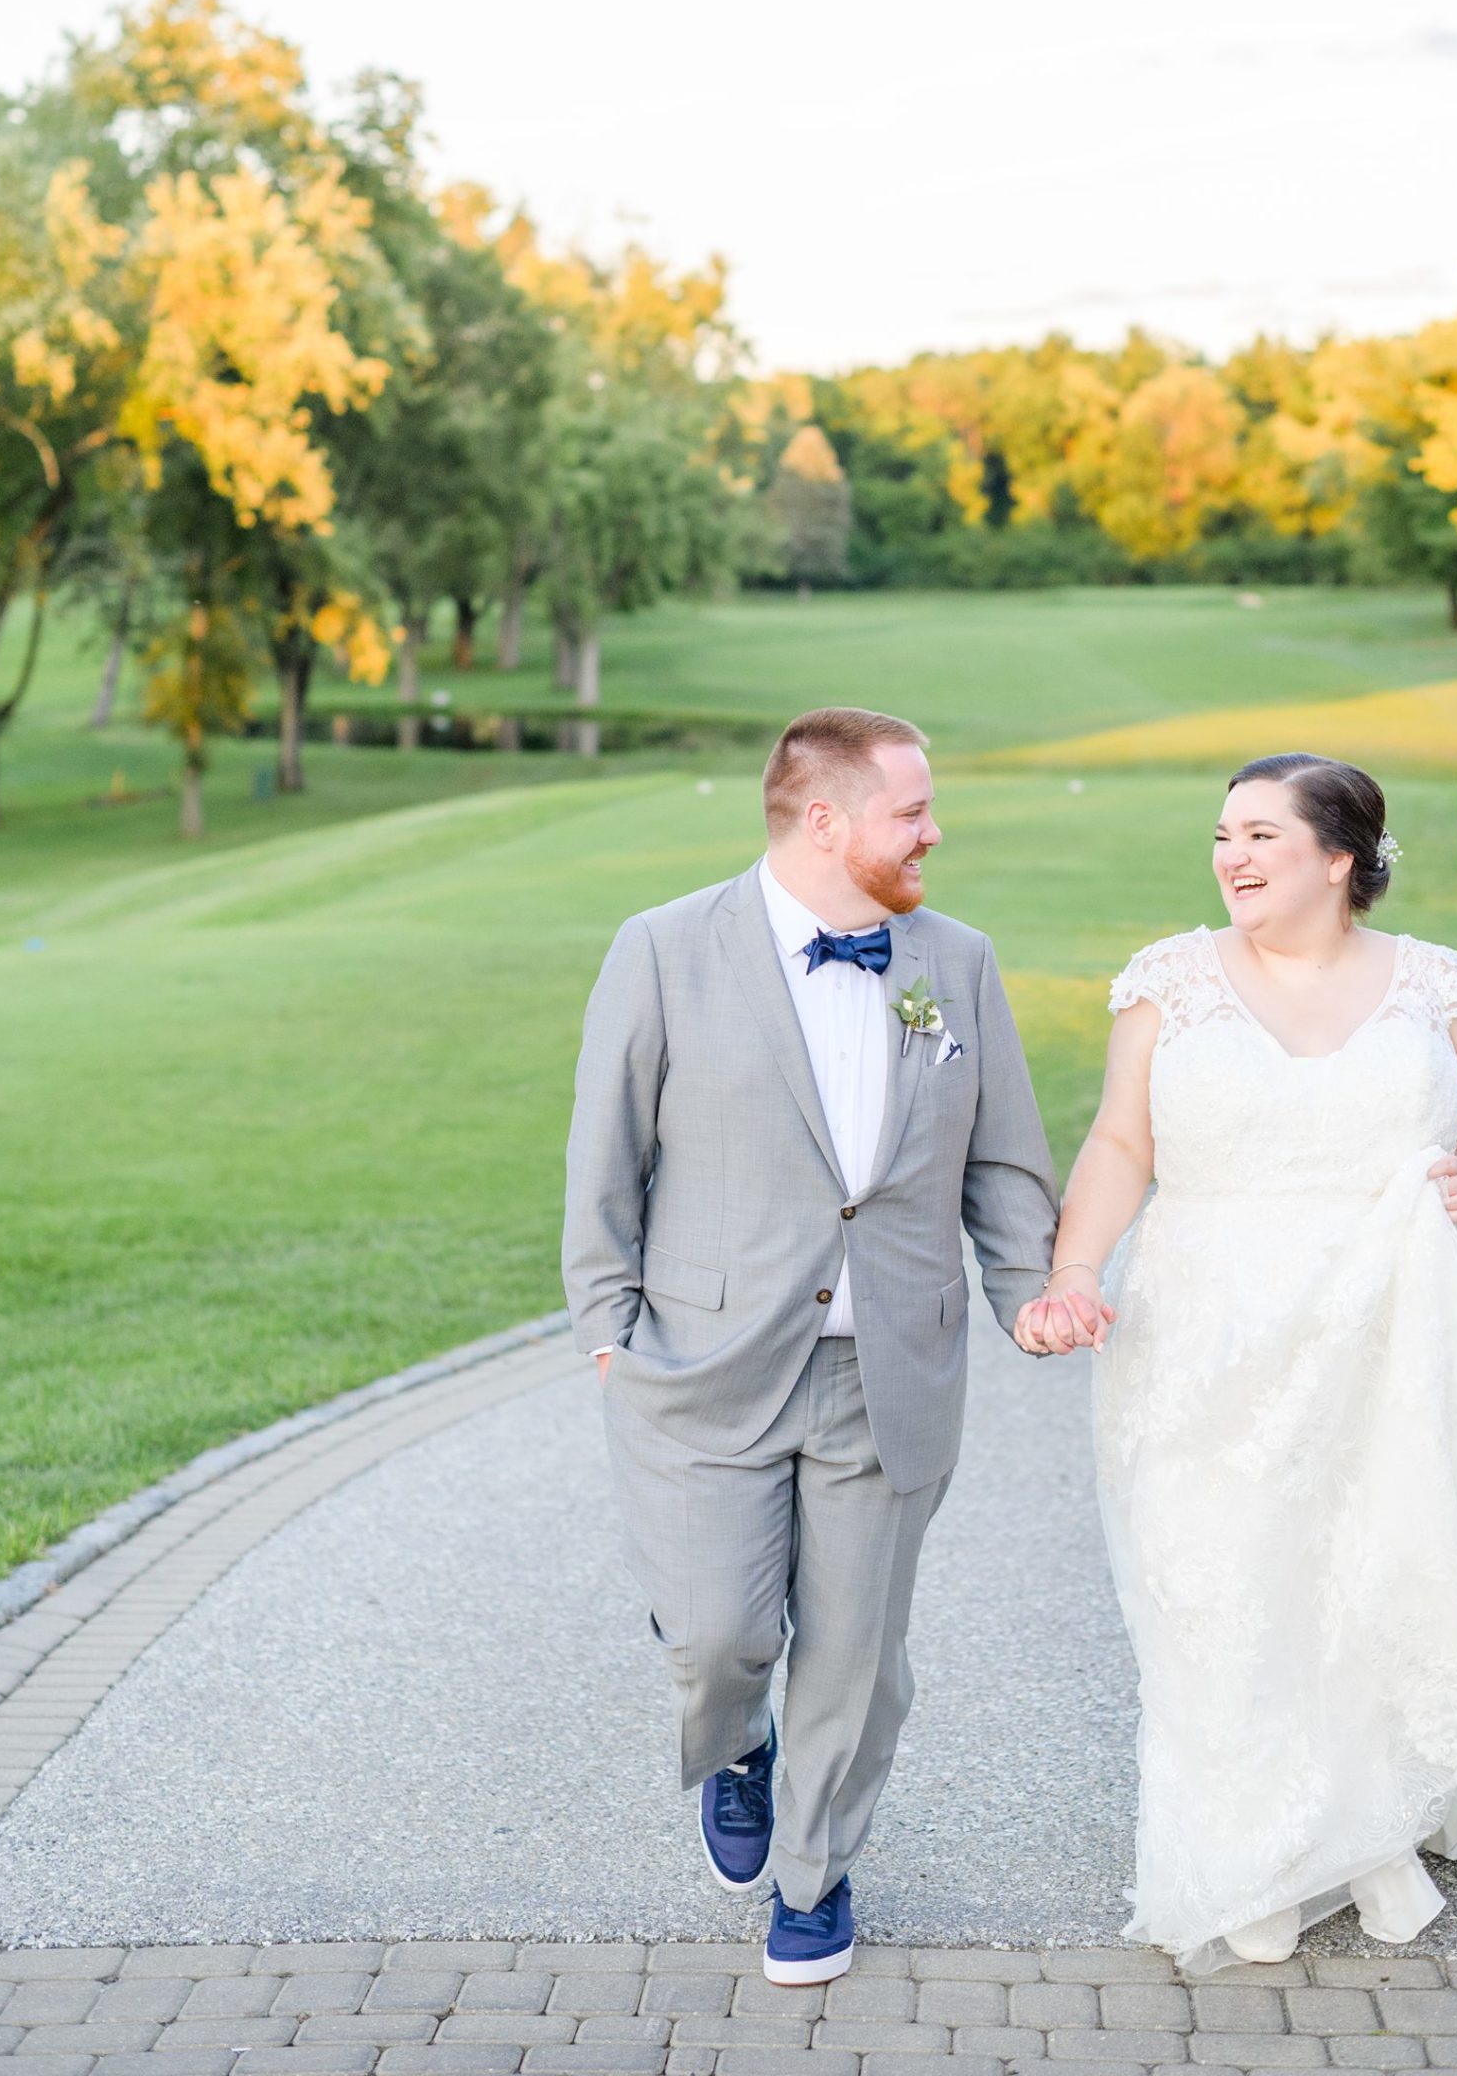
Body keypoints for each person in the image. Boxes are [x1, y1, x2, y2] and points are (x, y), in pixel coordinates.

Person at [1015, 751, 1457, 1974]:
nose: (1230, 856)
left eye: (1261, 835)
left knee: (1372, 1563)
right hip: (1205, 1326)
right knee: (1218, 1581)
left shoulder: (1435, 983)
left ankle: (1364, 1823)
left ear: (1338, 858)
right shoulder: (1166, 982)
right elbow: (1121, 1140)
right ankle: (1244, 1848)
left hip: (1389, 1318)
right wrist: (1074, 1272)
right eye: (1221, 834)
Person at [564, 706, 1060, 1985]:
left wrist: (1025, 1292)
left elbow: (1000, 1155)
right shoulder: (665, 949)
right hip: (699, 1360)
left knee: (852, 1653)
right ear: (823, 818)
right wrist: (607, 1329)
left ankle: (813, 1877)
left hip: (886, 1369)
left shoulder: (955, 961)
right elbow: (603, 1154)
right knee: (719, 1633)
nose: (934, 830)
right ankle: (734, 1746)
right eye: (912, 810)